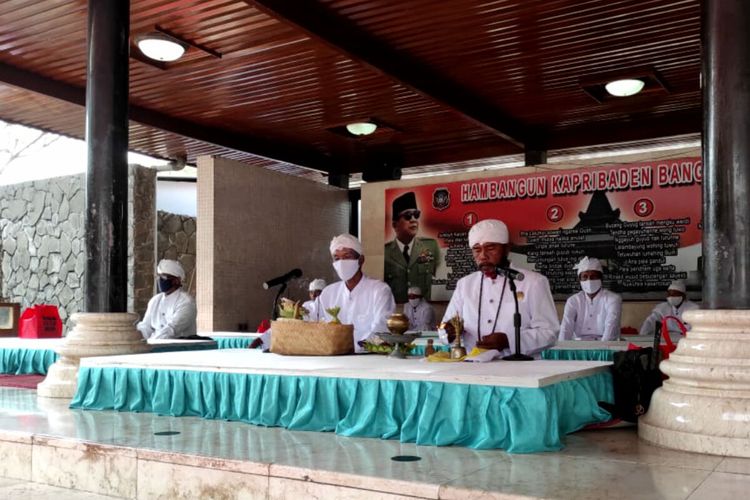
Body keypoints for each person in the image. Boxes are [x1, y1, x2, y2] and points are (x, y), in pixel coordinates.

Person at [440, 219, 558, 356]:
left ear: (507, 249)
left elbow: (549, 332)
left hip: (518, 370)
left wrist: (509, 341)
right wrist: (448, 333)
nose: (483, 256)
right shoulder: (464, 284)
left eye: (490, 248)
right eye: (477, 250)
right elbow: (444, 328)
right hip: (471, 368)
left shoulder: (533, 282)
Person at [318, 233, 396, 352]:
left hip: (368, 359)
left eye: (347, 256)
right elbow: (318, 326)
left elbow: (381, 328)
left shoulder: (379, 290)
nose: (341, 262)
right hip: (334, 358)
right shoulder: (328, 293)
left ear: (361, 260)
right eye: (337, 258)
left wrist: (355, 347)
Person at [384, 191, 440, 303]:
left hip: (423, 313)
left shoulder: (431, 246)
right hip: (396, 314)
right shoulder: (385, 252)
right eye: (408, 216)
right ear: (395, 225)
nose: (414, 219)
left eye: (416, 215)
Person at [559, 256, 622, 341]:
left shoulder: (613, 299)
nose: (589, 280)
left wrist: (602, 350)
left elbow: (611, 326)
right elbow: (566, 326)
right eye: (585, 277)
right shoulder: (573, 300)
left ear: (601, 279)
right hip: (579, 345)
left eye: (593, 277)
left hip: (605, 345)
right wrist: (562, 348)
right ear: (579, 280)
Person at [137, 259, 197, 339]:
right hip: (156, 345)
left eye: (164, 277)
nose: (160, 280)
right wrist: (135, 336)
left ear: (176, 280)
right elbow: (146, 326)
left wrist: (151, 342)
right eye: (159, 276)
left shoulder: (186, 302)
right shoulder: (155, 300)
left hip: (179, 347)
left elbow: (171, 329)